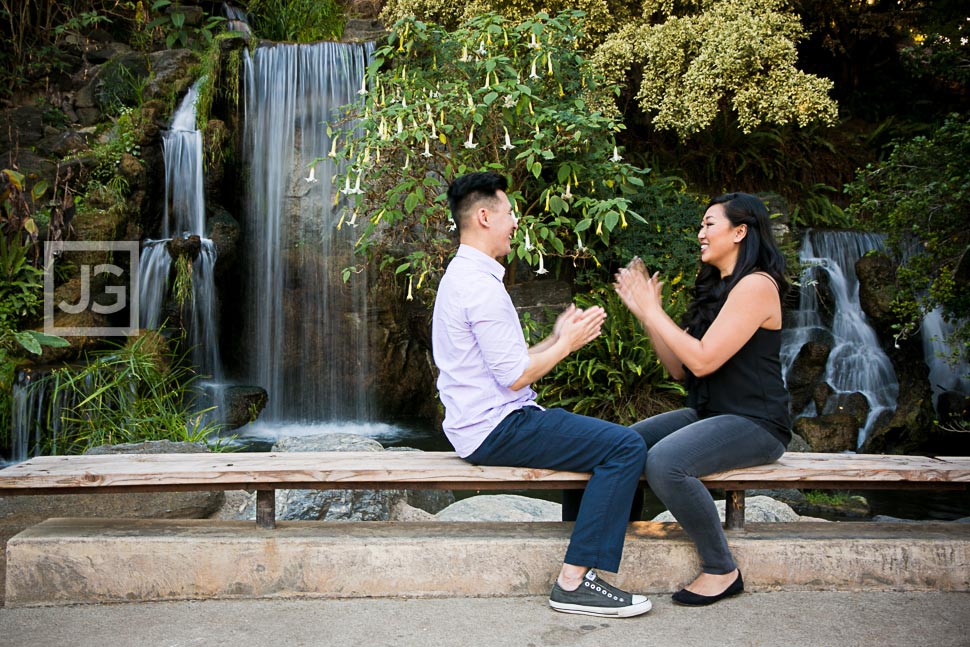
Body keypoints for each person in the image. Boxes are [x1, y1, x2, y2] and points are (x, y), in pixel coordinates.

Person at [432, 171, 652, 618]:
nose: (515, 222)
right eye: (510, 213)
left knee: (601, 445)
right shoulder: (478, 286)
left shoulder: (464, 276)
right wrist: (567, 345)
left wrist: (554, 340)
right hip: (497, 427)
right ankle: (574, 581)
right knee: (626, 446)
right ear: (484, 216)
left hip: (481, 424)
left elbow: (500, 365)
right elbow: (514, 376)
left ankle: (584, 547)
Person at [614, 192, 791, 607]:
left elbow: (705, 360)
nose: (701, 234)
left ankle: (721, 568)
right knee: (621, 445)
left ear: (740, 231)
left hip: (757, 423)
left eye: (710, 224)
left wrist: (652, 310)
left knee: (666, 462)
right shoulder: (720, 288)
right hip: (712, 412)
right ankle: (619, 541)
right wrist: (648, 314)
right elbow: (681, 368)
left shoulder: (757, 285)